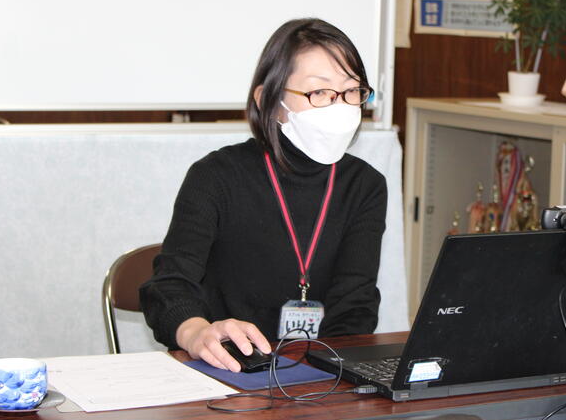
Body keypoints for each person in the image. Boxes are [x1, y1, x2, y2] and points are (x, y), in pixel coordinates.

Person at [140, 18, 387, 372]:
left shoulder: (364, 185)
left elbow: (355, 305)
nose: (340, 107)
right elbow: (169, 285)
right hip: (226, 367)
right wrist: (196, 333)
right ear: (269, 100)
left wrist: (325, 375)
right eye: (320, 92)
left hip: (318, 374)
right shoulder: (216, 176)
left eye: (351, 91)